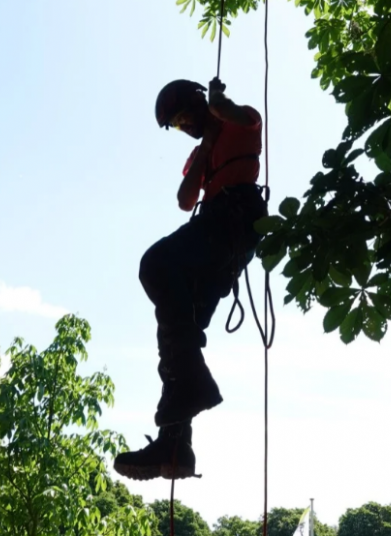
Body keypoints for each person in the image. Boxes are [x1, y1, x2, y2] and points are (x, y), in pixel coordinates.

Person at [113, 77, 267, 481]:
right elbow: (185, 201)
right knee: (178, 333)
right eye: (178, 125)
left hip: (233, 217)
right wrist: (206, 145)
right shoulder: (200, 152)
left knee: (156, 264)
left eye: (184, 117)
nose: (185, 127)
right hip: (219, 230)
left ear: (199, 102)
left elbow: (237, 116)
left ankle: (193, 389)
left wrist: (217, 104)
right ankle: (176, 446)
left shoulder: (240, 120)